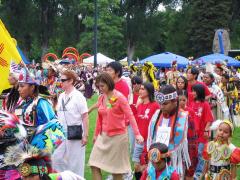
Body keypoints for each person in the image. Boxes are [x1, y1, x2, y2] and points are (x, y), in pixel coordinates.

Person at [88, 73, 143, 180]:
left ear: (109, 84)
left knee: (116, 172)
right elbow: (100, 118)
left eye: (102, 86)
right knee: (94, 164)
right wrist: (96, 135)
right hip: (103, 136)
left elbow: (130, 116)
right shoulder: (101, 98)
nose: (100, 88)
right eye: (98, 86)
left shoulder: (120, 97)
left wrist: (137, 134)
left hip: (118, 137)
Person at [147, 85, 190, 177]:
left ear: (175, 102)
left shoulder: (184, 118)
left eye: (165, 104)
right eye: (160, 104)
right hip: (155, 163)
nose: (161, 107)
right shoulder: (156, 116)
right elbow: (151, 139)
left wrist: (190, 171)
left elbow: (192, 145)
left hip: (175, 164)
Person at [52, 70, 89, 177]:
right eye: (60, 80)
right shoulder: (61, 96)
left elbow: (85, 116)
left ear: (71, 81)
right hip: (60, 133)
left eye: (63, 80)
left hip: (75, 132)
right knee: (56, 159)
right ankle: (64, 177)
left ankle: (75, 178)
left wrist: (85, 135)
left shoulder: (78, 96)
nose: (61, 82)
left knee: (75, 163)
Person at [4, 144, 85, 180]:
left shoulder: (64, 177)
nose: (27, 179)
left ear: (42, 174)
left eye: (31, 176)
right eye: (24, 177)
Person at [132, 82, 160, 179]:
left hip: (149, 142)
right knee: (136, 167)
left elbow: (157, 124)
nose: (140, 90)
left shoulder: (155, 106)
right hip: (139, 141)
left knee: (146, 168)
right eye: (140, 88)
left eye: (143, 89)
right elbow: (135, 122)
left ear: (149, 91)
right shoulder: (139, 106)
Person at [190, 84, 214, 179]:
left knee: (200, 153)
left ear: (199, 92)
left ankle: (199, 173)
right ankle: (194, 171)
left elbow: (209, 119)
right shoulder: (191, 103)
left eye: (194, 91)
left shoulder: (205, 104)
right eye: (192, 91)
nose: (192, 93)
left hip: (201, 134)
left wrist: (206, 130)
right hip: (192, 134)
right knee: (194, 153)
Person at [177, 90, 198, 179]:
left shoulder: (190, 111)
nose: (181, 102)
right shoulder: (174, 112)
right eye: (179, 100)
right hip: (178, 142)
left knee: (189, 165)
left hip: (189, 141)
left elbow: (194, 127)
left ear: (187, 100)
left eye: (184, 100)